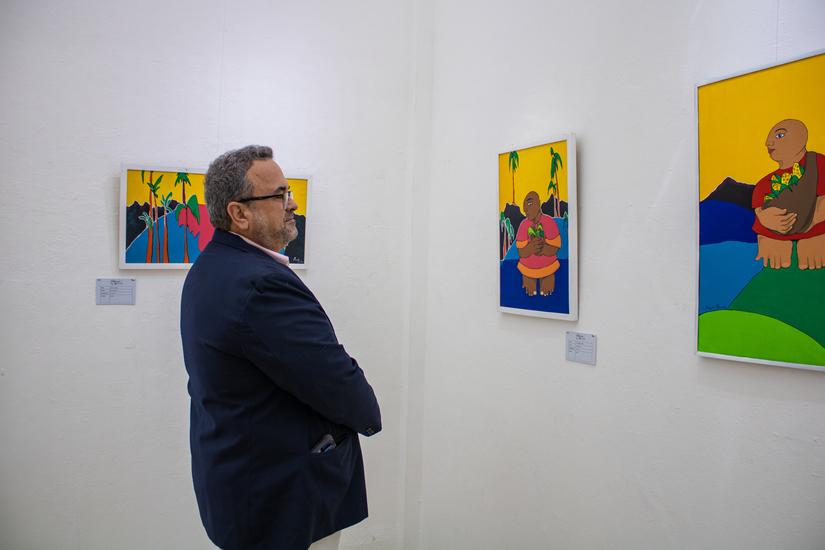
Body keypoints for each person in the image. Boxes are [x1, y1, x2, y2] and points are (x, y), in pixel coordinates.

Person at [180, 145, 382, 550]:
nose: (292, 204)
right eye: (279, 195)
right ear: (239, 213)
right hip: (282, 496)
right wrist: (370, 414)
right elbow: (333, 379)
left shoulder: (211, 265)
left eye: (289, 192)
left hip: (238, 477)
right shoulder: (261, 284)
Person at [752, 119, 825, 270]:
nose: (768, 143)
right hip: (775, 236)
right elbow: (759, 211)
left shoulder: (818, 163)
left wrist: (809, 224)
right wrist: (767, 220)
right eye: (769, 139)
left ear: (801, 138)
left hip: (816, 231)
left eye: (779, 136)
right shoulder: (764, 184)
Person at [516, 191, 561, 296]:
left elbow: (555, 248)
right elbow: (521, 252)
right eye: (524, 207)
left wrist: (543, 248)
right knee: (528, 294)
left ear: (538, 203)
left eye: (530, 203)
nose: (526, 209)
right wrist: (530, 249)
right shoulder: (524, 225)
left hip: (548, 268)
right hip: (527, 269)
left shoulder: (549, 222)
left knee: (548, 294)